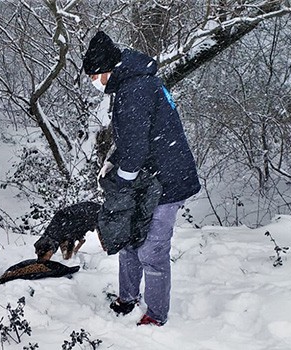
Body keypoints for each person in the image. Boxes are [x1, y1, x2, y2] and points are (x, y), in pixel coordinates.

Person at [82, 31, 201, 327]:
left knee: (152, 248)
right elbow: (129, 140)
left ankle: (156, 314)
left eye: (95, 76)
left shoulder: (136, 88)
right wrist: (114, 162)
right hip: (148, 179)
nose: (94, 82)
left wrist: (122, 180)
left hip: (167, 181)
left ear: (107, 70)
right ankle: (128, 297)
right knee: (129, 238)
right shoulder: (130, 83)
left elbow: (136, 144)